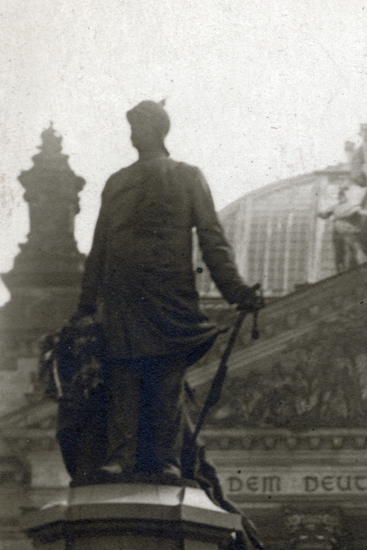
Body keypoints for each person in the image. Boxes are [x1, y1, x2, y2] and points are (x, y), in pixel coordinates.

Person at [69, 99, 261, 482]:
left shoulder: (188, 176)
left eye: (138, 127)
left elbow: (212, 239)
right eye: (131, 127)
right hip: (123, 293)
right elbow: (100, 247)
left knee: (165, 375)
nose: (132, 135)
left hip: (168, 291)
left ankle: (166, 460)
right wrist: (86, 305)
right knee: (122, 372)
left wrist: (236, 291)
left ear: (157, 129)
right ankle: (121, 456)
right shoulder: (117, 182)